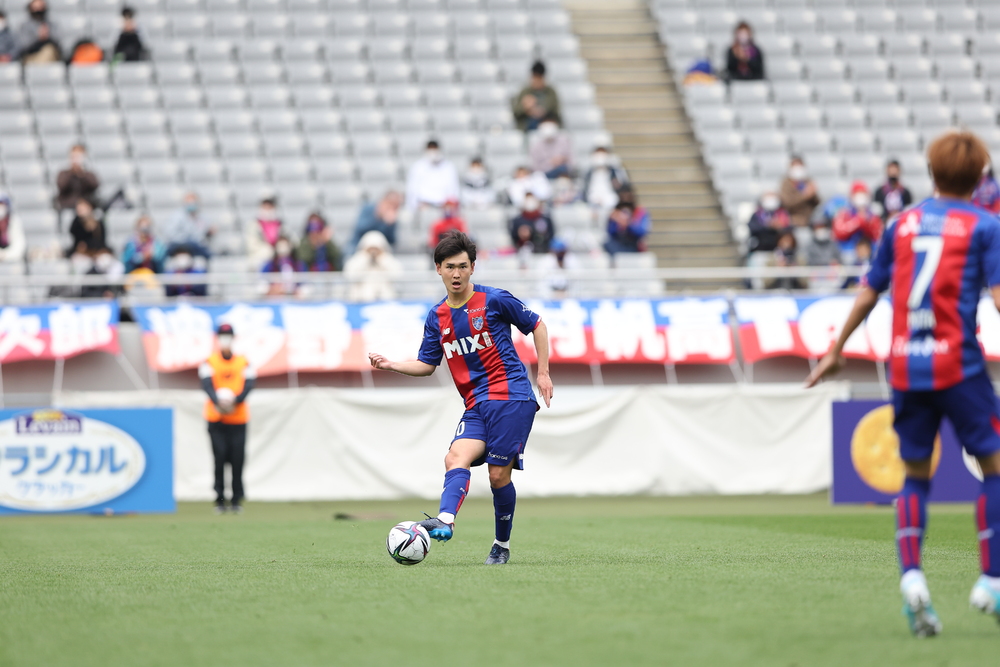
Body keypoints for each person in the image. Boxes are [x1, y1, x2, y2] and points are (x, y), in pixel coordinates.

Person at [806, 131, 1000, 638]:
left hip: (906, 368)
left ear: (931, 172)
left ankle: (912, 579)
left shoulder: (901, 225)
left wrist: (836, 350)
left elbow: (868, 292)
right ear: (980, 178)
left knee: (915, 477)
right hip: (959, 365)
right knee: (995, 468)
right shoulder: (986, 225)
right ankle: (992, 580)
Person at [368, 231, 553, 565]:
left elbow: (537, 324)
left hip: (511, 396)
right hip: (476, 404)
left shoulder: (494, 299)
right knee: (455, 457)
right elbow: (427, 365)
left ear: (472, 268)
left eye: (463, 266)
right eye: (450, 266)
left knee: (498, 475)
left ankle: (501, 545)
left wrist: (542, 373)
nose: (456, 273)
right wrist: (392, 365)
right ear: (438, 268)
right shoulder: (437, 316)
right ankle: (446, 520)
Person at [199, 323, 256, 515]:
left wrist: (235, 401)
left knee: (237, 459)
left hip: (238, 419)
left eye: (228, 336)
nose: (225, 339)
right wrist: (218, 402)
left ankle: (237, 499)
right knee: (220, 457)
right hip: (216, 418)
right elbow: (207, 385)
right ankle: (220, 499)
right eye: (222, 336)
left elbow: (249, 384)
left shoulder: (243, 362)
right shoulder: (209, 362)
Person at [343, 230, 402, 302]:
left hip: (385, 299)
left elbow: (397, 275)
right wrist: (365, 257)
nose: (373, 251)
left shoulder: (388, 259)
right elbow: (349, 275)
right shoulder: (357, 259)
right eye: (371, 248)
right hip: (361, 299)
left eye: (376, 249)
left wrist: (381, 258)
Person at [833, 181, 883, 262]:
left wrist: (867, 223)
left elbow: (878, 236)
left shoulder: (873, 215)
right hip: (847, 255)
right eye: (857, 194)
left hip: (869, 255)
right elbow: (838, 233)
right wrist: (858, 221)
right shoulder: (844, 213)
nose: (860, 197)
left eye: (863, 194)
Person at [405, 140, 460, 212]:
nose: (433, 152)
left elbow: (453, 189)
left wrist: (451, 204)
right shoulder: (418, 167)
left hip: (443, 208)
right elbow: (412, 189)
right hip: (423, 206)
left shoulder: (448, 167)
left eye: (435, 149)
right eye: (430, 149)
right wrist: (414, 206)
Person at [512, 60, 561, 133]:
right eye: (535, 77)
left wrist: (541, 111)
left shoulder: (551, 92)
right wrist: (526, 108)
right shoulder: (525, 92)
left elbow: (556, 112)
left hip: (547, 128)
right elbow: (516, 112)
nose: (537, 81)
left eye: (539, 78)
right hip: (527, 128)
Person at [161, 191, 213, 258]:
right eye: (189, 203)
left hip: (195, 246)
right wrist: (186, 239)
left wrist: (208, 232)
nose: (191, 205)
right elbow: (170, 233)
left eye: (193, 202)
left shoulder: (201, 217)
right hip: (178, 246)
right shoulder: (177, 216)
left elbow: (201, 236)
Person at [56, 144, 100, 219]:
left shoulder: (88, 174)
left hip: (86, 206)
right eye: (74, 157)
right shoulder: (64, 173)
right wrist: (72, 172)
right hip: (68, 206)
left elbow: (95, 185)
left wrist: (82, 173)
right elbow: (62, 186)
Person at [581, 147, 628, 213]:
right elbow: (585, 187)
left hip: (609, 198)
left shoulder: (613, 171)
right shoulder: (589, 172)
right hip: (593, 198)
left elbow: (622, 183)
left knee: (612, 200)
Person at [245, 197, 287, 268]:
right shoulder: (253, 225)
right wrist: (269, 250)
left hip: (278, 260)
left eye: (270, 207)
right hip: (259, 261)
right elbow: (252, 245)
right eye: (265, 207)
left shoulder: (280, 224)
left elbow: (290, 240)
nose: (268, 210)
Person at [779, 156, 821, 227]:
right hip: (793, 217)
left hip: (810, 217)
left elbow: (817, 202)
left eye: (800, 166)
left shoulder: (807, 181)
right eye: (795, 167)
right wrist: (805, 196)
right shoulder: (786, 183)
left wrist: (813, 194)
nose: (798, 169)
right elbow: (787, 203)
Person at [0, 192, 26, 265]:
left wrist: (5, 255)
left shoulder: (13, 221)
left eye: (2, 204)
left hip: (11, 262)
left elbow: (19, 247)